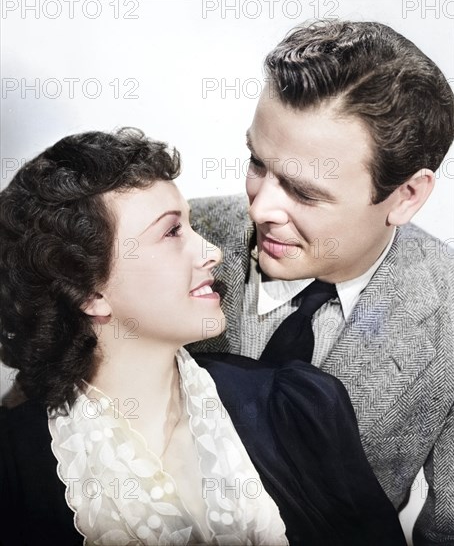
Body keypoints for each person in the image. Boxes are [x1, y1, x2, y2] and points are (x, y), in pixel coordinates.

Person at [0, 128, 406, 545]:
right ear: (89, 291)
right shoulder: (14, 466)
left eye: (191, 226)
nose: (212, 251)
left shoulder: (298, 408)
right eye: (172, 232)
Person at [186, 20, 454, 545]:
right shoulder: (168, 238)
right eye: (257, 163)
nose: (261, 208)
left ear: (406, 195)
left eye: (304, 193)